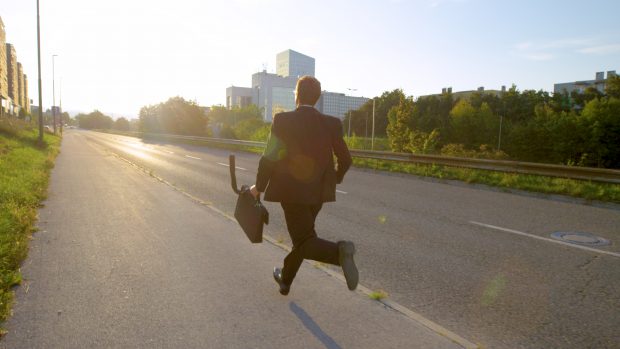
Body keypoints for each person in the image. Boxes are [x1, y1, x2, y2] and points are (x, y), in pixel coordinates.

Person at [250, 75, 358, 295]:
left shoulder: (283, 120)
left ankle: (340, 252)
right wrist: (334, 179)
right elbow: (346, 159)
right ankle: (285, 279)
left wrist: (258, 187)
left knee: (305, 240)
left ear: (297, 95)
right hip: (318, 193)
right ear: (317, 98)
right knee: (304, 237)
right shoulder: (331, 123)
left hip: (291, 192)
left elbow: (269, 157)